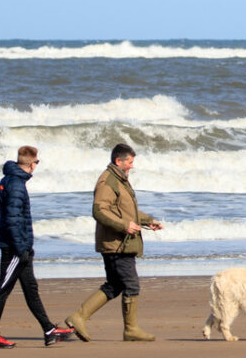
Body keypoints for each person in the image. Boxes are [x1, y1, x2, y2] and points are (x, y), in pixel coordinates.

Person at [65, 143, 164, 342]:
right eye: (129, 162)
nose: (132, 166)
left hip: (121, 242)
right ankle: (131, 329)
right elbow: (99, 211)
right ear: (118, 161)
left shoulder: (120, 180)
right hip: (117, 244)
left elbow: (127, 212)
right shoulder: (108, 181)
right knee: (131, 284)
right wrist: (123, 226)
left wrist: (148, 220)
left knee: (115, 285)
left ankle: (79, 317)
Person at [0, 146, 75, 349]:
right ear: (32, 164)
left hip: (21, 246)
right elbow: (12, 220)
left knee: (31, 290)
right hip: (14, 249)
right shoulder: (15, 184)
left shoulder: (12, 180)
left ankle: (49, 330)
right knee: (3, 290)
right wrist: (20, 250)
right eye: (37, 163)